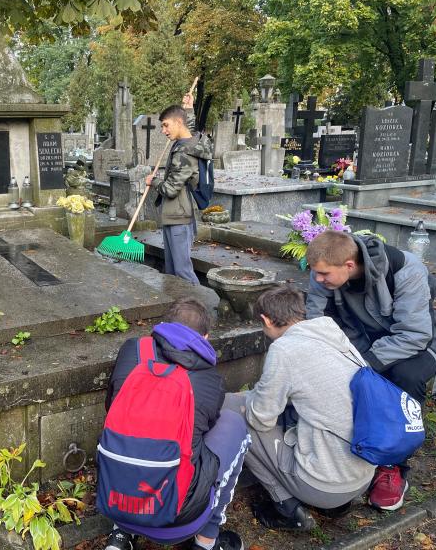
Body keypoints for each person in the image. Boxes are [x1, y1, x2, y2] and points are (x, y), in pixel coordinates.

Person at [305, 230, 436, 510]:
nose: (318, 280)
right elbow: (315, 320)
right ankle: (342, 444)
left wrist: (366, 364)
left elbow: (415, 334)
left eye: (324, 274)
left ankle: (392, 466)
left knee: (402, 379)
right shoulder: (324, 272)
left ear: (349, 266)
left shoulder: (406, 270)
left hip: (418, 344)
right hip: (364, 341)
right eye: (316, 274)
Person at [223, 285, 376, 531]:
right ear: (300, 311)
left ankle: (287, 509)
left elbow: (261, 418)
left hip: (324, 484)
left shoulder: (284, 349)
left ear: (266, 319)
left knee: (237, 417)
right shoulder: (331, 332)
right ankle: (335, 506)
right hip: (363, 475)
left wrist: (248, 402)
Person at [102, 298, 250, 550]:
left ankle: (120, 535)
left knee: (124, 426)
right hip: (179, 520)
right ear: (205, 336)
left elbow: (110, 405)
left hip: (114, 502)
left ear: (163, 326)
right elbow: (207, 428)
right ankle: (206, 542)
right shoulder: (208, 377)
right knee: (233, 424)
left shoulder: (132, 349)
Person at [145, 97, 212, 285]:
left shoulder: (185, 152)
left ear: (178, 122)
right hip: (175, 215)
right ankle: (180, 310)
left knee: (182, 272)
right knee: (173, 271)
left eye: (166, 125)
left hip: (179, 219)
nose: (163, 131)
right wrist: (189, 109)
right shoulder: (188, 142)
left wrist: (154, 181)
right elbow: (187, 127)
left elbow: (171, 189)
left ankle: (200, 306)